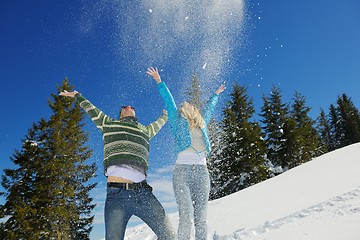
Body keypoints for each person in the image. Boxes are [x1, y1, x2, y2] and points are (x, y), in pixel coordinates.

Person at [59, 89, 175, 240]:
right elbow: (91, 109)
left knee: (169, 235)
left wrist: (166, 114)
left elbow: (159, 123)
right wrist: (76, 95)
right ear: (120, 114)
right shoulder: (108, 124)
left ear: (135, 114)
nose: (129, 107)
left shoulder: (145, 130)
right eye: (125, 106)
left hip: (144, 193)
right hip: (117, 196)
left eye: (132, 107)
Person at [146, 67, 225, 240]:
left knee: (200, 218)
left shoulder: (201, 122)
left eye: (187, 104)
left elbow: (210, 108)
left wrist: (216, 94)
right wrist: (159, 81)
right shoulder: (176, 120)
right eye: (182, 106)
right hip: (182, 172)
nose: (184, 105)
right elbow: (169, 101)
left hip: (201, 173)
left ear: (194, 109)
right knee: (186, 217)